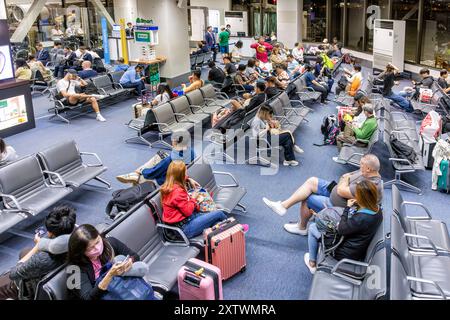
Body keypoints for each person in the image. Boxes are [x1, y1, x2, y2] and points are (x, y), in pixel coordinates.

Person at [263, 154, 383, 236]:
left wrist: (343, 183)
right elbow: (344, 177)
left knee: (308, 198)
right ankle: (283, 206)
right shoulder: (366, 172)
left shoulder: (370, 185)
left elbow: (343, 188)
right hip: (336, 191)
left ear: (368, 169)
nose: (359, 166)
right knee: (312, 181)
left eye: (361, 165)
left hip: (340, 205)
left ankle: (301, 228)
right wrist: (343, 183)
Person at [304, 180, 383, 274]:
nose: (354, 195)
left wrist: (347, 207)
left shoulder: (361, 218)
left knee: (313, 227)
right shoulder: (377, 210)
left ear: (362, 198)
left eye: (357, 194)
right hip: (357, 245)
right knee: (327, 221)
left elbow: (341, 229)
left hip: (343, 252)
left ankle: (312, 263)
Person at [0, 205, 77, 300]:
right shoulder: (78, 239)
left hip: (32, 288)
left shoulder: (41, 259)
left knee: (5, 280)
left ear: (50, 233)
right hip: (62, 273)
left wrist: (37, 247)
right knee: (24, 251)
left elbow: (14, 273)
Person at [67, 224, 142, 300]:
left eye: (97, 242)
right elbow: (87, 298)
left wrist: (129, 261)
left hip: (116, 291)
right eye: (91, 248)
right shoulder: (73, 269)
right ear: (81, 252)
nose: (97, 248)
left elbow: (135, 256)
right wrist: (109, 275)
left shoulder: (110, 244)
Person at [161, 160, 233, 239]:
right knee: (218, 213)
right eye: (185, 173)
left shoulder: (168, 186)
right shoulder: (177, 192)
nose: (186, 174)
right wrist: (193, 198)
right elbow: (188, 211)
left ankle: (226, 240)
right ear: (180, 175)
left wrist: (189, 179)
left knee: (216, 221)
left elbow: (178, 176)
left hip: (187, 220)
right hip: (185, 229)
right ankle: (235, 229)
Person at [117, 131, 196, 186]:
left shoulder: (170, 160)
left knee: (139, 179)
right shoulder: (191, 151)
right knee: (158, 155)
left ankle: (136, 177)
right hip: (179, 174)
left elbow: (152, 173)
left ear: (175, 142)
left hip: (165, 181)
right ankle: (135, 173)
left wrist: (143, 171)